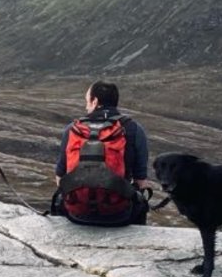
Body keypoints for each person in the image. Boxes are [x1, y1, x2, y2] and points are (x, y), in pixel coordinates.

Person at [52, 81, 151, 226]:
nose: (86, 106)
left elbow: (60, 177)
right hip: (119, 215)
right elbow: (141, 181)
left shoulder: (73, 129)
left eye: (87, 101)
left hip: (76, 214)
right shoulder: (134, 129)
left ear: (95, 101)